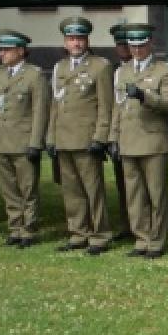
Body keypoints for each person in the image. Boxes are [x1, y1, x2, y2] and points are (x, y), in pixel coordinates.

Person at [110, 23, 168, 258]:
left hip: (152, 140)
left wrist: (144, 95)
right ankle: (142, 239)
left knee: (156, 194)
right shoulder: (122, 71)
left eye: (141, 45)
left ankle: (156, 241)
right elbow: (117, 107)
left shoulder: (164, 71)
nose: (137, 50)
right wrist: (113, 137)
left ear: (150, 44)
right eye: (133, 46)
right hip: (128, 139)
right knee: (134, 194)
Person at [47, 16, 115, 255]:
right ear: (65, 42)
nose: (76, 43)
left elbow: (106, 106)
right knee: (71, 190)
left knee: (93, 190)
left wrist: (100, 137)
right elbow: (55, 105)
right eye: (71, 38)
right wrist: (51, 137)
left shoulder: (100, 66)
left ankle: (100, 235)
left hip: (87, 138)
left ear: (87, 40)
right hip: (64, 137)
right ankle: (78, 233)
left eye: (80, 38)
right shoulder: (60, 67)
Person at [0, 30, 48, 247]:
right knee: (9, 190)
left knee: (27, 189)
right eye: (1, 50)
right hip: (1, 141)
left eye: (7, 50)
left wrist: (36, 142)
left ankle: (29, 229)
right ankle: (15, 227)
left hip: (23, 142)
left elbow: (39, 111)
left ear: (20, 51)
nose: (2, 54)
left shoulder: (34, 75)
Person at [108, 22, 134, 241]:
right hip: (118, 132)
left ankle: (142, 227)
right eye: (120, 44)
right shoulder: (112, 71)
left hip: (138, 133)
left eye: (127, 44)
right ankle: (127, 224)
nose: (124, 48)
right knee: (122, 183)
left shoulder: (139, 69)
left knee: (141, 186)